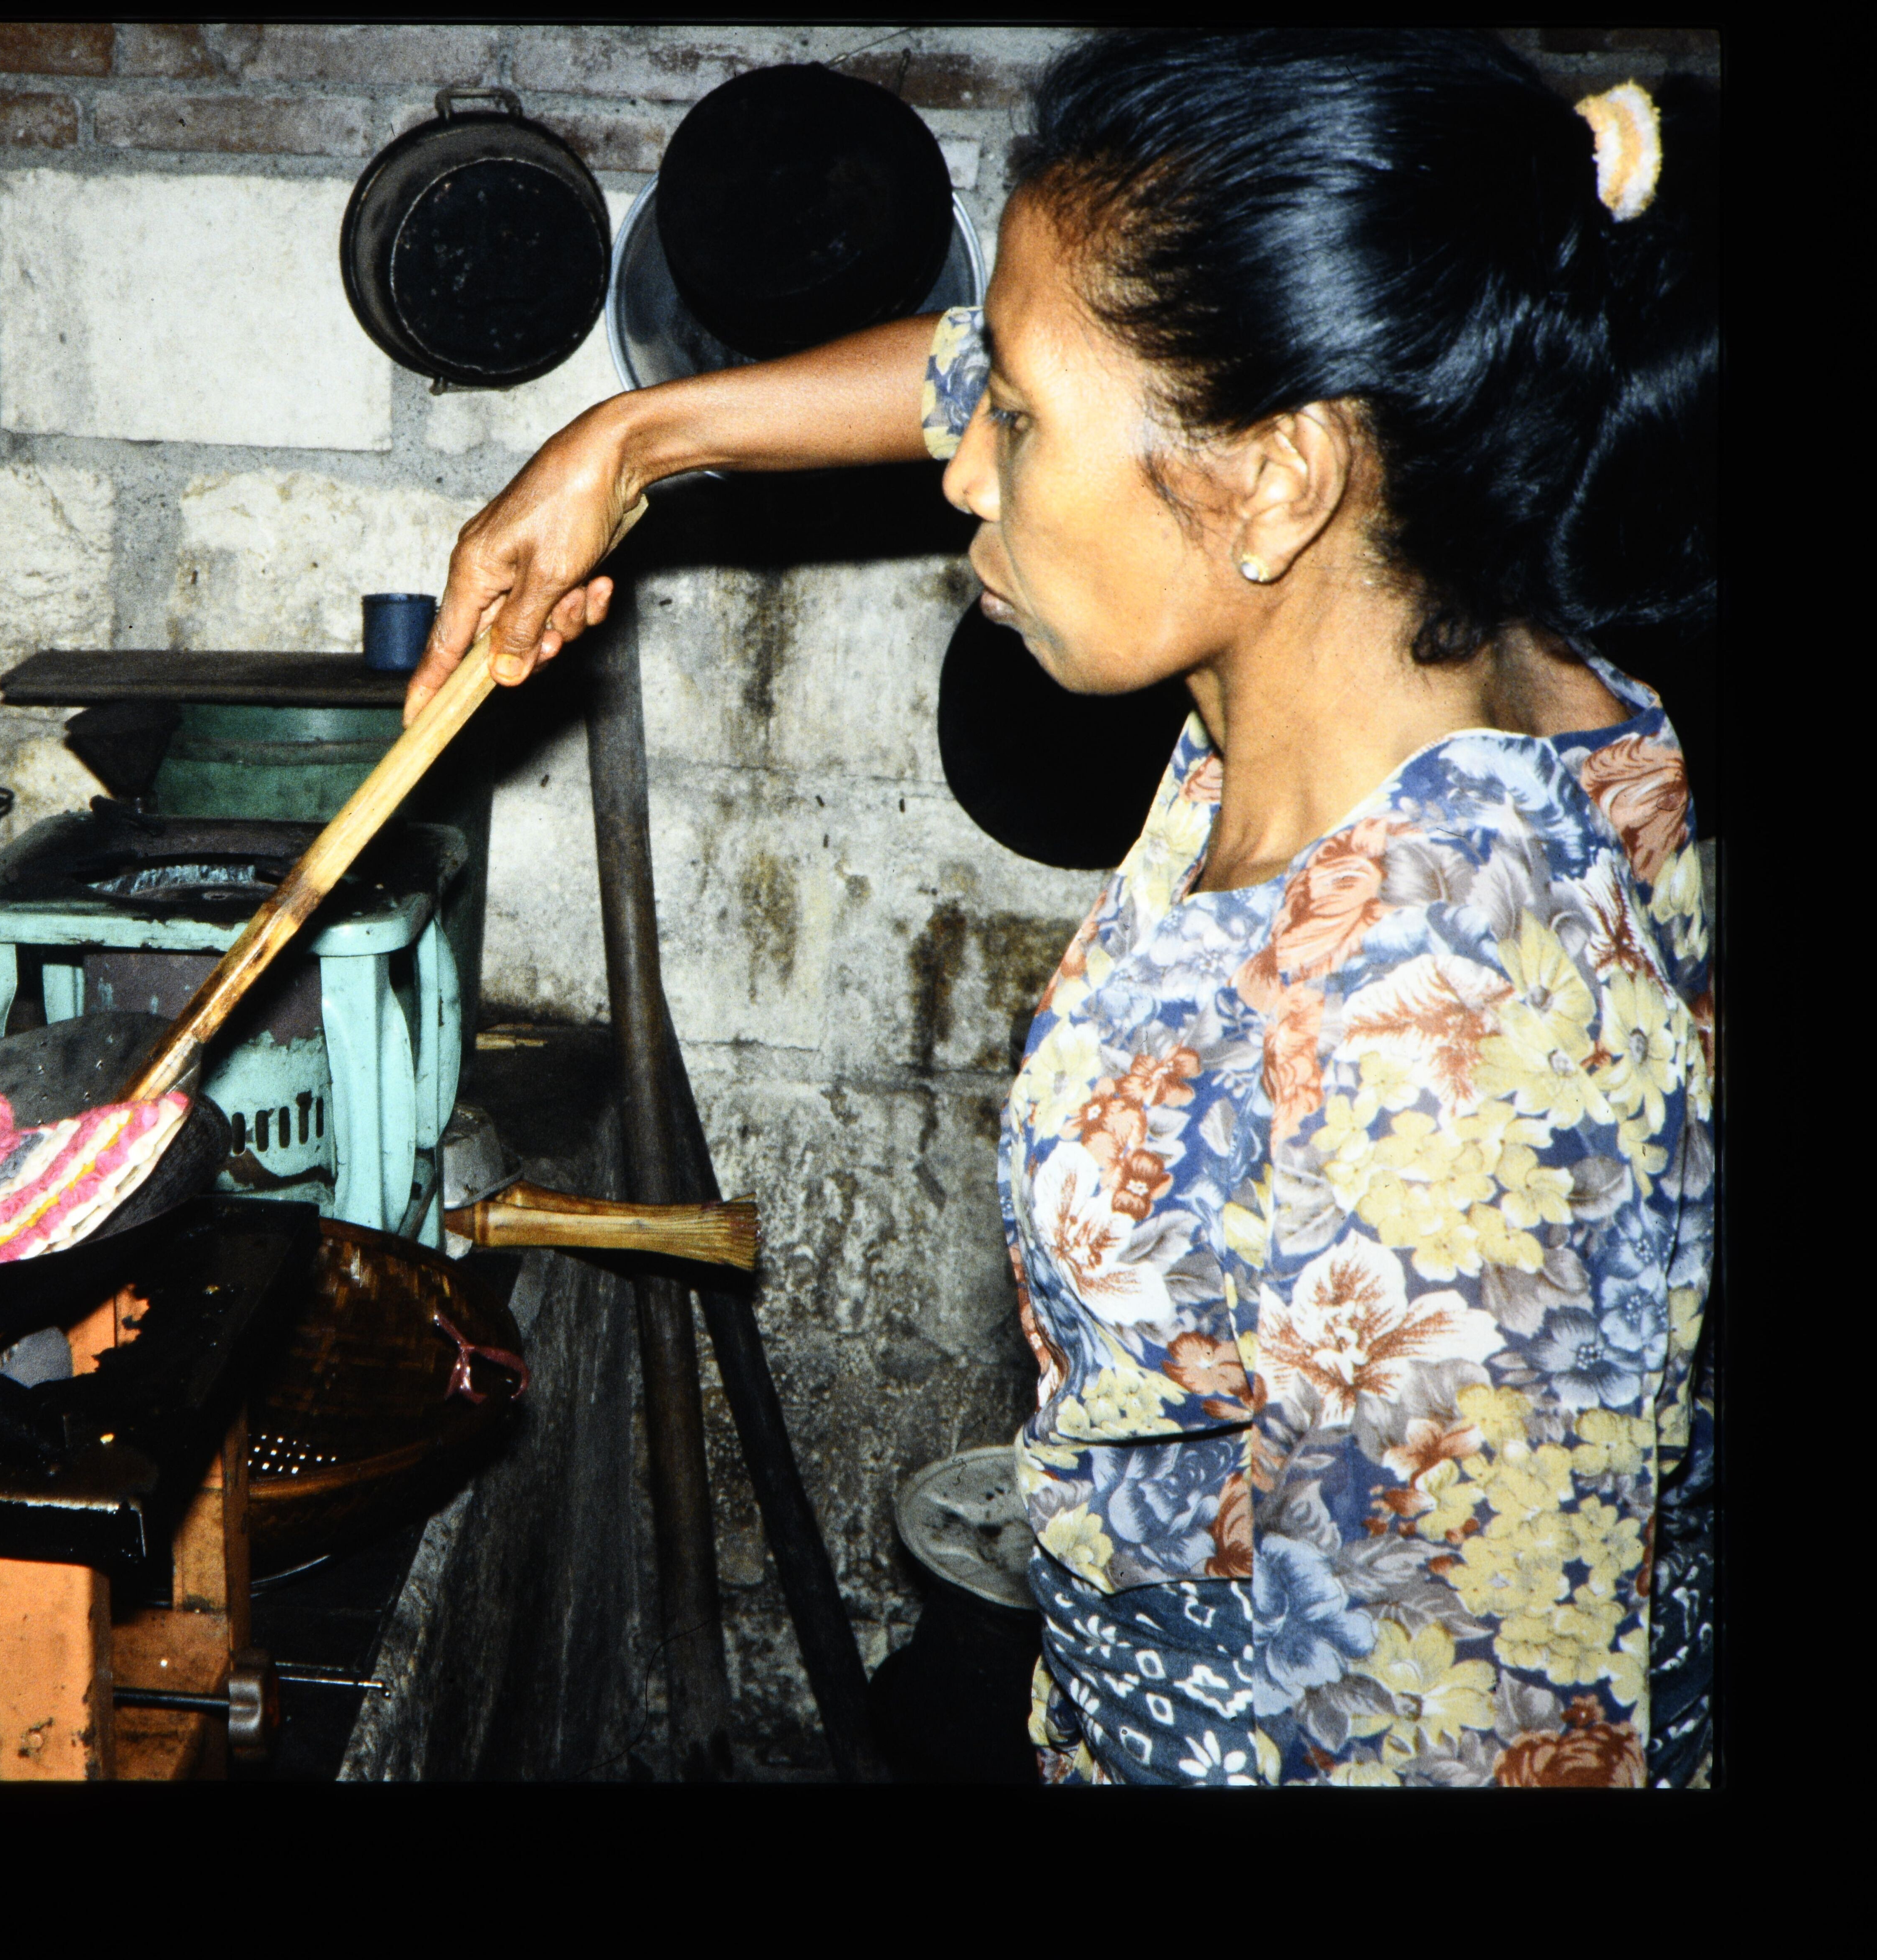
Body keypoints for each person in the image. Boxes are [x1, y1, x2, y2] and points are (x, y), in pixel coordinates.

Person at [406, 28, 1717, 1787]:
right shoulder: (1384, 643)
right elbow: (961, 369)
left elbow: (1467, 1732)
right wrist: (630, 439)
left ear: (1273, 480)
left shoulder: (1453, 1047)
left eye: (1017, 424)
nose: (963, 464)